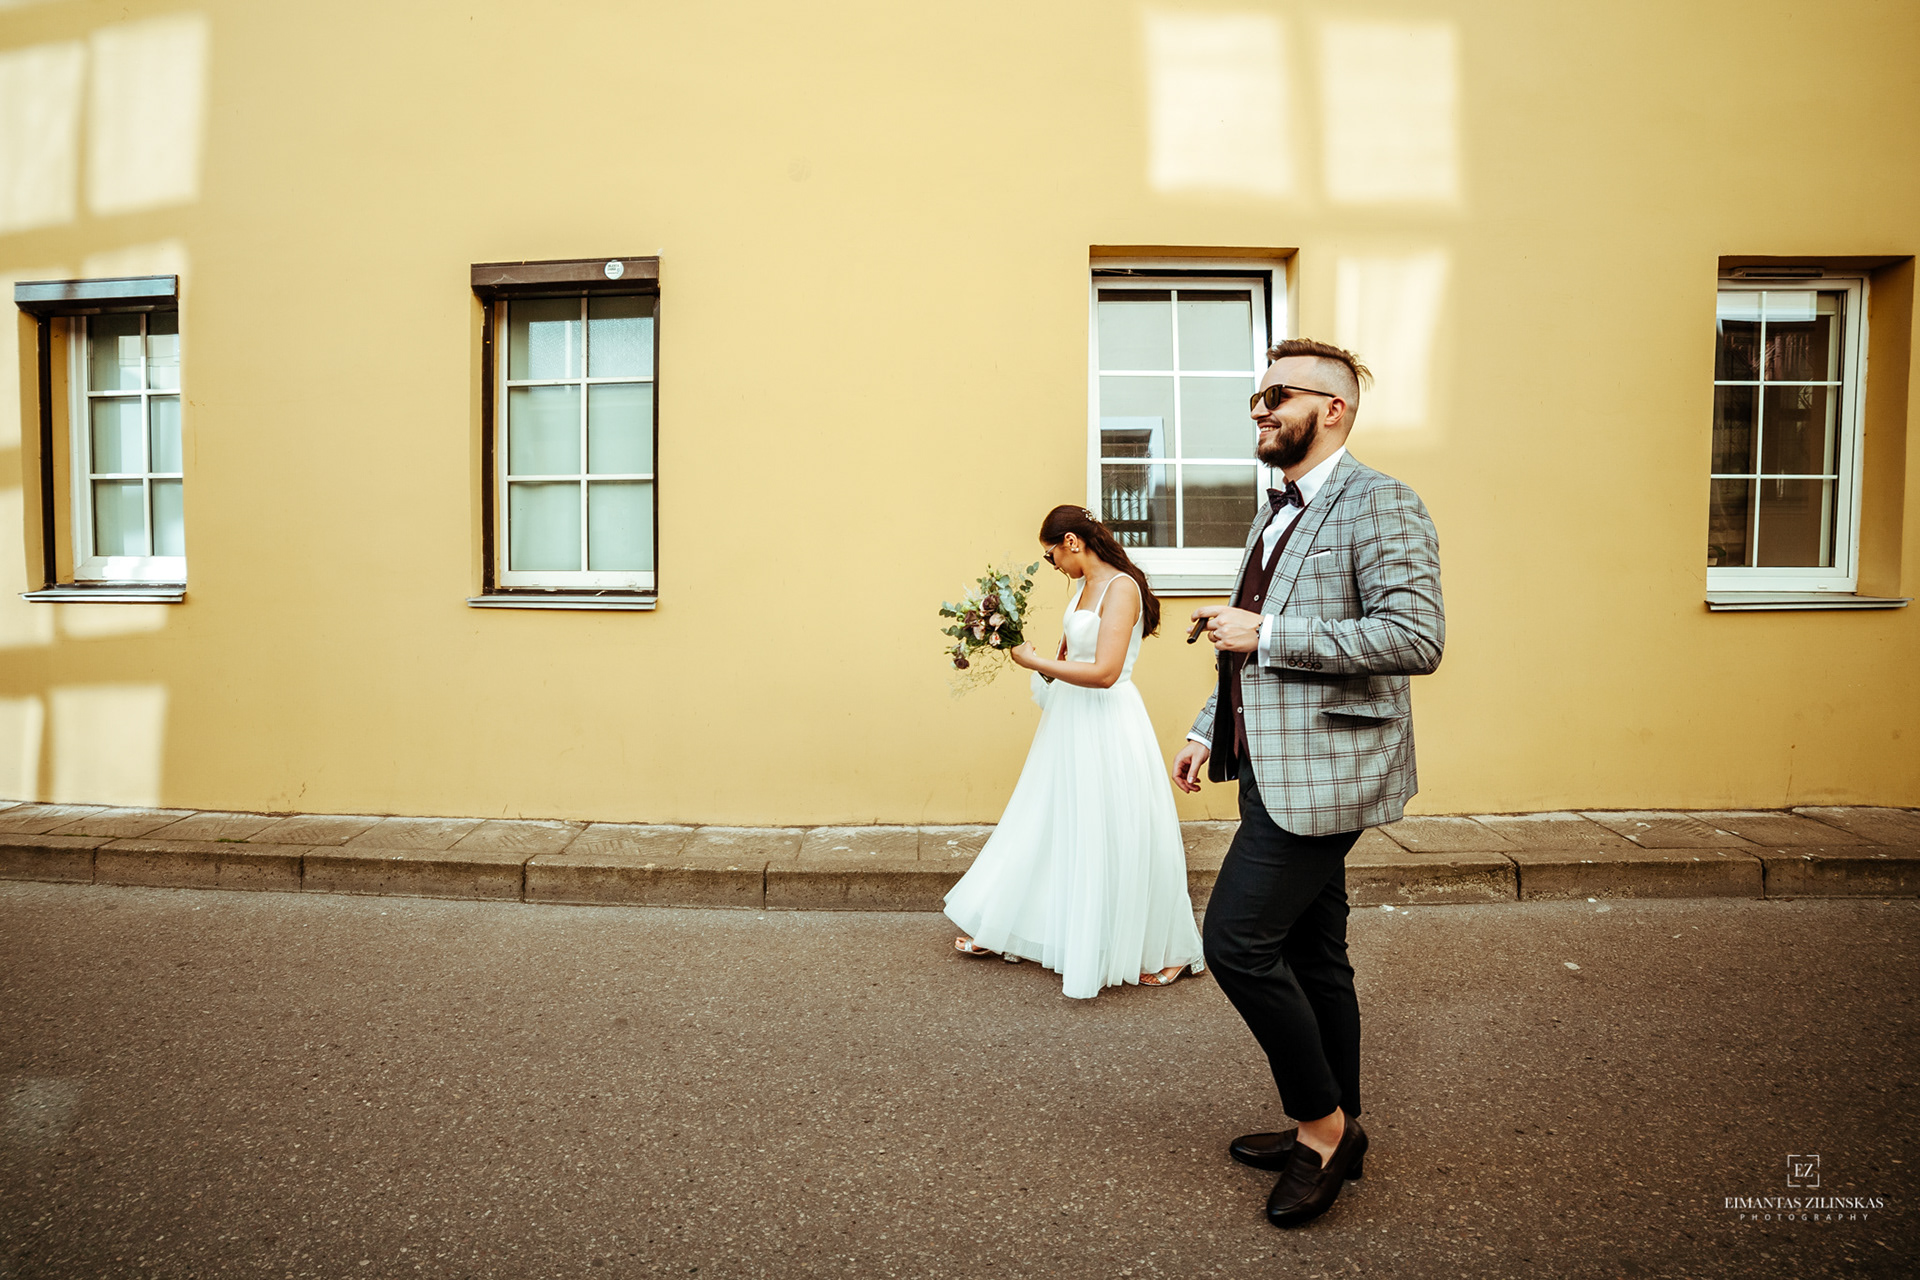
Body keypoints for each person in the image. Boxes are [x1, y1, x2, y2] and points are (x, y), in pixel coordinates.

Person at [1171, 338, 1444, 1228]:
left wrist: (1271, 633)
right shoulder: (1275, 510)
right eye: (1257, 396)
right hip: (1268, 764)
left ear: (1333, 409)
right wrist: (1208, 728)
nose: (1259, 408)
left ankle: (1322, 1130)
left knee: (1237, 945)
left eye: (1277, 395)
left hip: (1331, 771)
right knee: (1315, 952)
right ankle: (1337, 1123)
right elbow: (1242, 637)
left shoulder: (1383, 502)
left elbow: (1415, 637)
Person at [944, 505, 1207, 999]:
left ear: (1071, 541)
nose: (1053, 566)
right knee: (1047, 817)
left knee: (1114, 830)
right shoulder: (1084, 585)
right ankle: (1008, 925)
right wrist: (1031, 655)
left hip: (1106, 721)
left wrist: (1035, 662)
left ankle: (1168, 949)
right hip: (1069, 719)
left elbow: (1106, 673)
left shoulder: (1122, 588)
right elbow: (1070, 656)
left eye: (1050, 557)